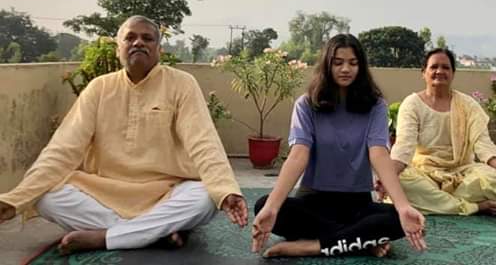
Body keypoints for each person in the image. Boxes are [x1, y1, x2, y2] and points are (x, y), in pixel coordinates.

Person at [0, 15, 247, 254]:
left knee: (204, 197)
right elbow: (63, 148)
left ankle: (107, 236)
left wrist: (225, 190)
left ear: (159, 49)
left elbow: (203, 141)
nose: (138, 42)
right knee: (46, 197)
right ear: (119, 48)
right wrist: (16, 198)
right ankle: (151, 234)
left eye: (147, 38)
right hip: (105, 191)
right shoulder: (99, 88)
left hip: (166, 191)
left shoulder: (182, 84)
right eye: (130, 38)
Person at [251, 34, 426, 258]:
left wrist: (402, 206)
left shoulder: (376, 106)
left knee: (399, 219)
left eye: (353, 63)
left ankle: (312, 246)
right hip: (314, 201)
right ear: (327, 65)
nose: (346, 69)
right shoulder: (306, 104)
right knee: (263, 205)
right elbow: (298, 156)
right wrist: (272, 208)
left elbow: (379, 153)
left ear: (361, 67)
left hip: (357, 204)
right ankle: (360, 241)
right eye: (338, 63)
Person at [382, 48, 496, 216]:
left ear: (453, 73)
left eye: (445, 67)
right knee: (401, 181)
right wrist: (388, 177)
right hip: (424, 173)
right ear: (423, 72)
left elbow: (484, 146)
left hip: (462, 172)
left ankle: (439, 202)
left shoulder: (468, 105)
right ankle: (473, 206)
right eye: (434, 67)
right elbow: (404, 147)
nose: (439, 71)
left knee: (495, 181)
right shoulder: (412, 104)